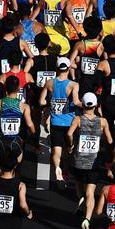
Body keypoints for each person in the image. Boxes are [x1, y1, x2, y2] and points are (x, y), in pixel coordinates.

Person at [68, 92, 113, 229]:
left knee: (78, 183)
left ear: (83, 104)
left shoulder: (78, 119)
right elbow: (110, 140)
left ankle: (80, 198)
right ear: (95, 105)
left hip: (79, 160)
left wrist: (71, 144)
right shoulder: (103, 122)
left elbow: (69, 134)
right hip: (94, 162)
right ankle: (87, 220)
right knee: (91, 193)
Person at [39, 56, 81, 187]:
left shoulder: (50, 83)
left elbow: (41, 102)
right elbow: (75, 101)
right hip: (69, 124)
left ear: (57, 68)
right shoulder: (73, 85)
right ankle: (65, 173)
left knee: (56, 151)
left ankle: (58, 170)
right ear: (68, 68)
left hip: (55, 122)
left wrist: (51, 102)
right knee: (68, 149)